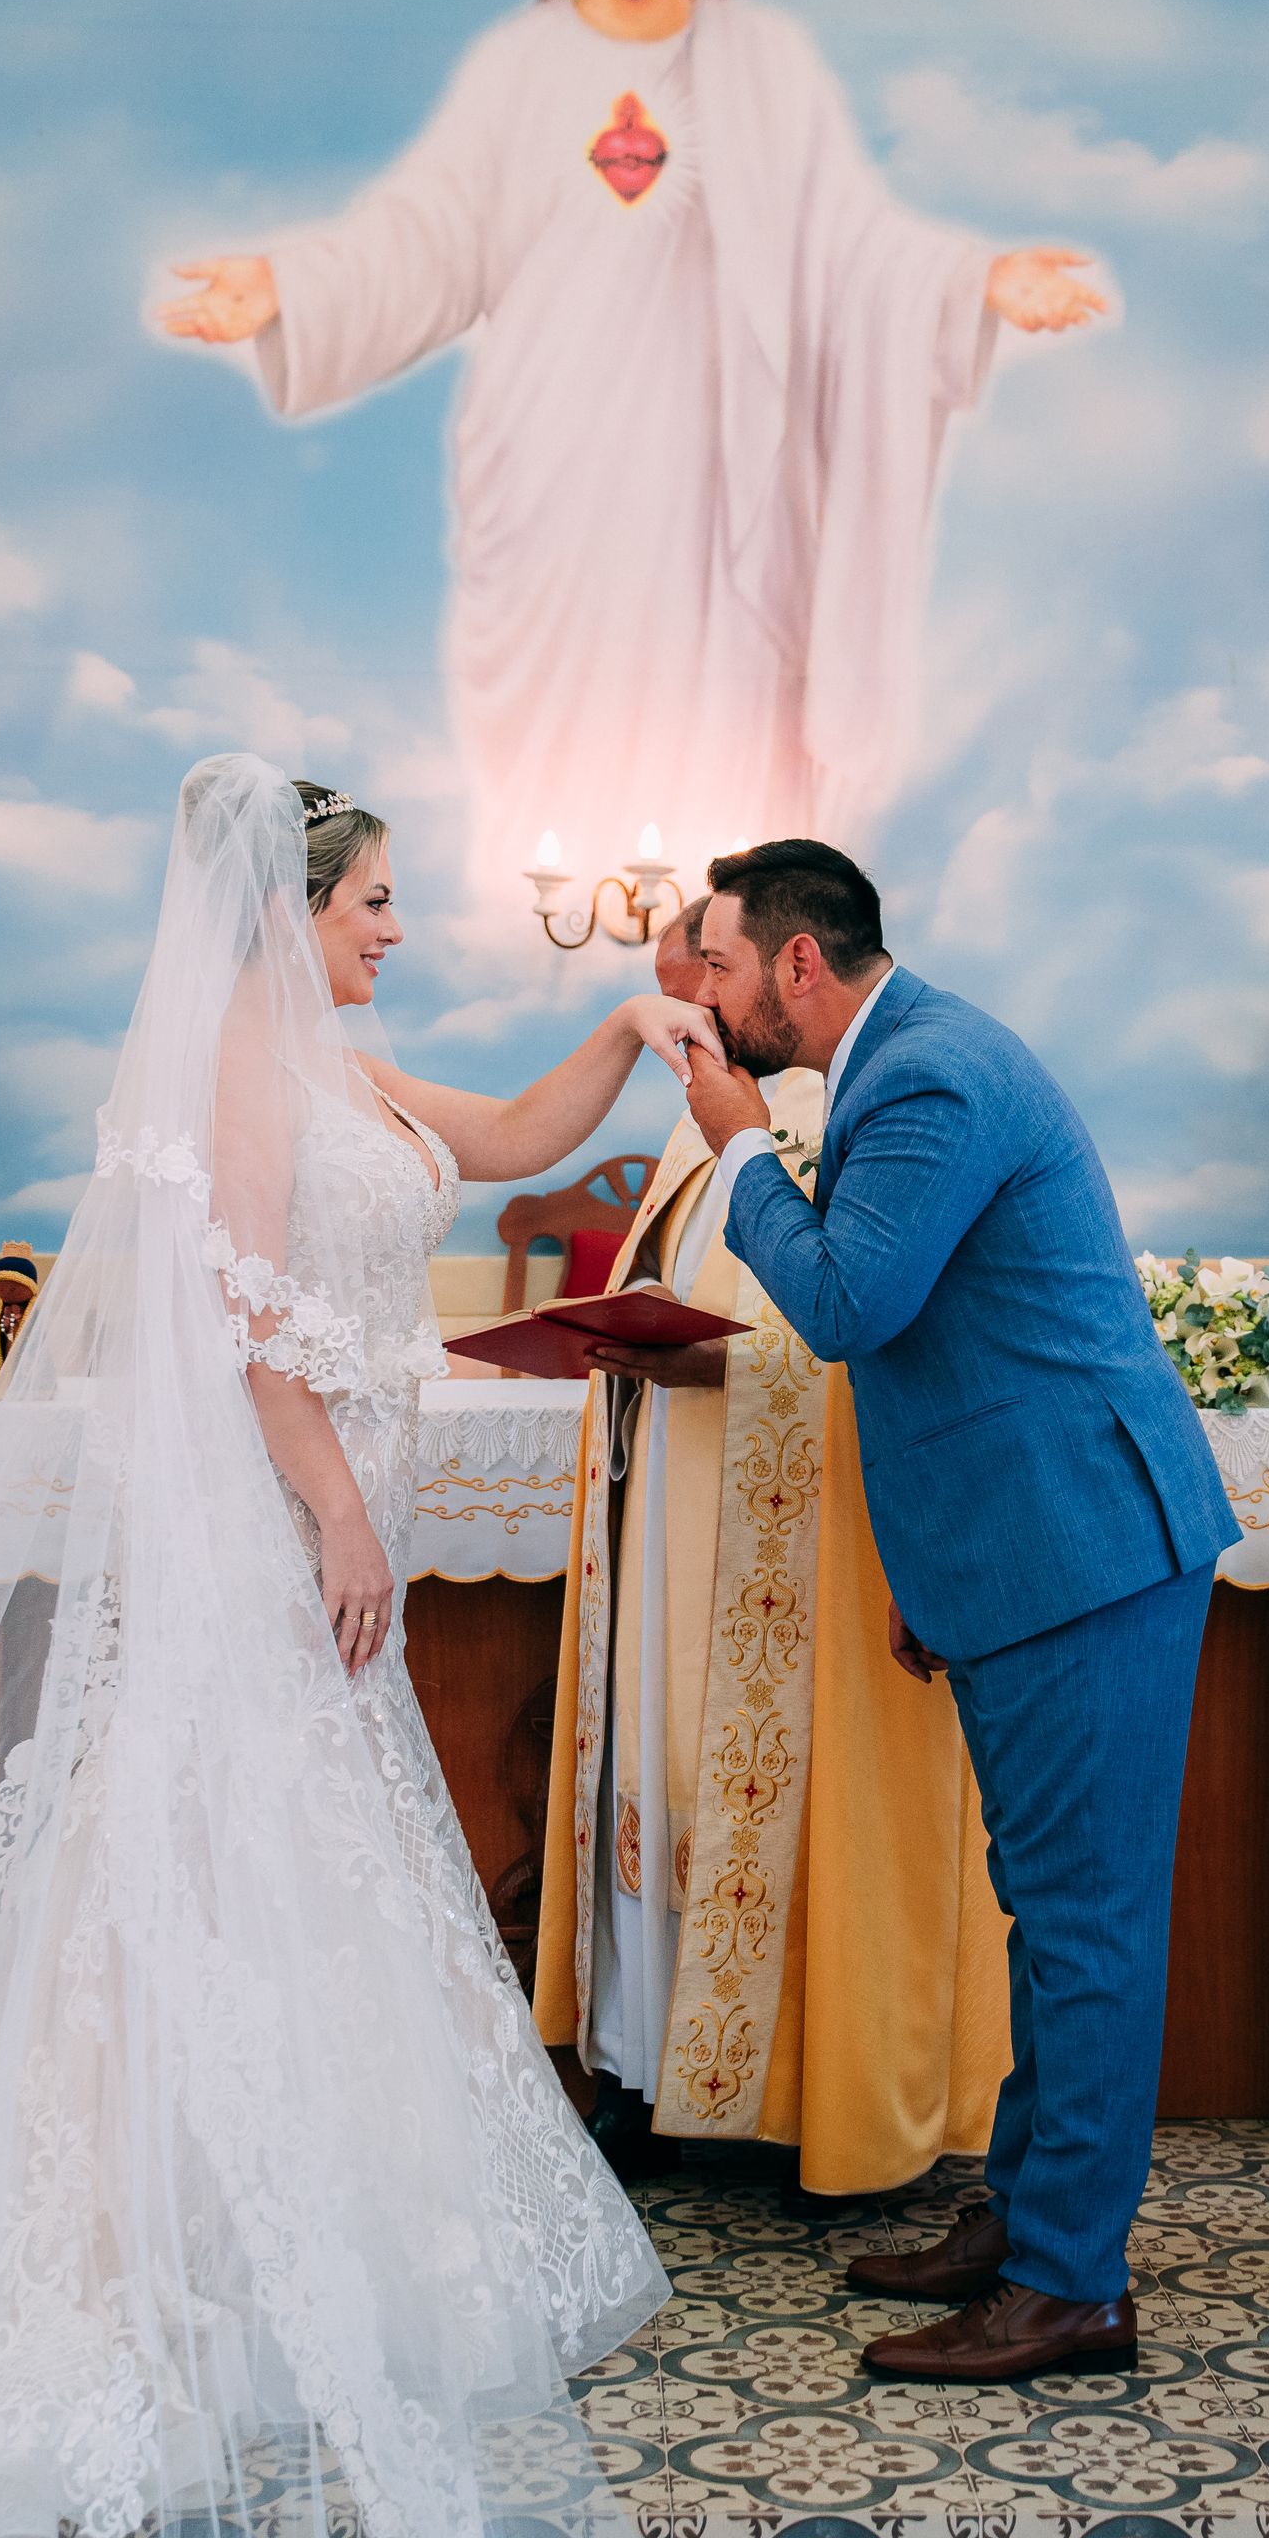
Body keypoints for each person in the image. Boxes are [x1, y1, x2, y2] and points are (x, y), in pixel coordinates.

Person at [0, 762, 702, 2538]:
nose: (396, 927)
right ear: (291, 906)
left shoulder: (350, 1068)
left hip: (335, 1510)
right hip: (279, 1525)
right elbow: (244, 1307)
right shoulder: (234, 1067)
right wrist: (339, 1510)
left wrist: (623, 1022)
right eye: (374, 899)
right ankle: (141, 2245)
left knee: (282, 1869)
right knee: (202, 1853)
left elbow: (523, 1135)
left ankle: (260, 2215)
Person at [158, 0, 1106, 888]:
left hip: (717, 485)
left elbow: (846, 243)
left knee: (723, 754)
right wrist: (288, 286)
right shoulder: (520, 67)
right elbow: (426, 236)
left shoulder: (762, 63)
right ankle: (551, 937)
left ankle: (719, 936)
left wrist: (976, 280)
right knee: (560, 777)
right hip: (554, 478)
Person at [681, 838, 1240, 2386]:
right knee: (1049, 1911)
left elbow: (851, 1305)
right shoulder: (905, 1059)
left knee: (1086, 1925)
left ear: (799, 963)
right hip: (1028, 1546)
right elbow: (945, 1345)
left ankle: (1071, 2287)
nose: (705, 994)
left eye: (719, 963)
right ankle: (1032, 2220)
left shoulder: (929, 1072)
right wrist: (938, 1583)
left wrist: (742, 1156)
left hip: (1087, 1544)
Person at [534, 902, 1010, 2195]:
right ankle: (648, 2069)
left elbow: (848, 1323)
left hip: (773, 1536)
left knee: (747, 1788)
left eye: (697, 983)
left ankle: (787, 2092)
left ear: (753, 980)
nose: (682, 1015)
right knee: (655, 1775)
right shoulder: (697, 1136)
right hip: (662, 1509)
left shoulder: (825, 1122)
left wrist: (700, 1362)